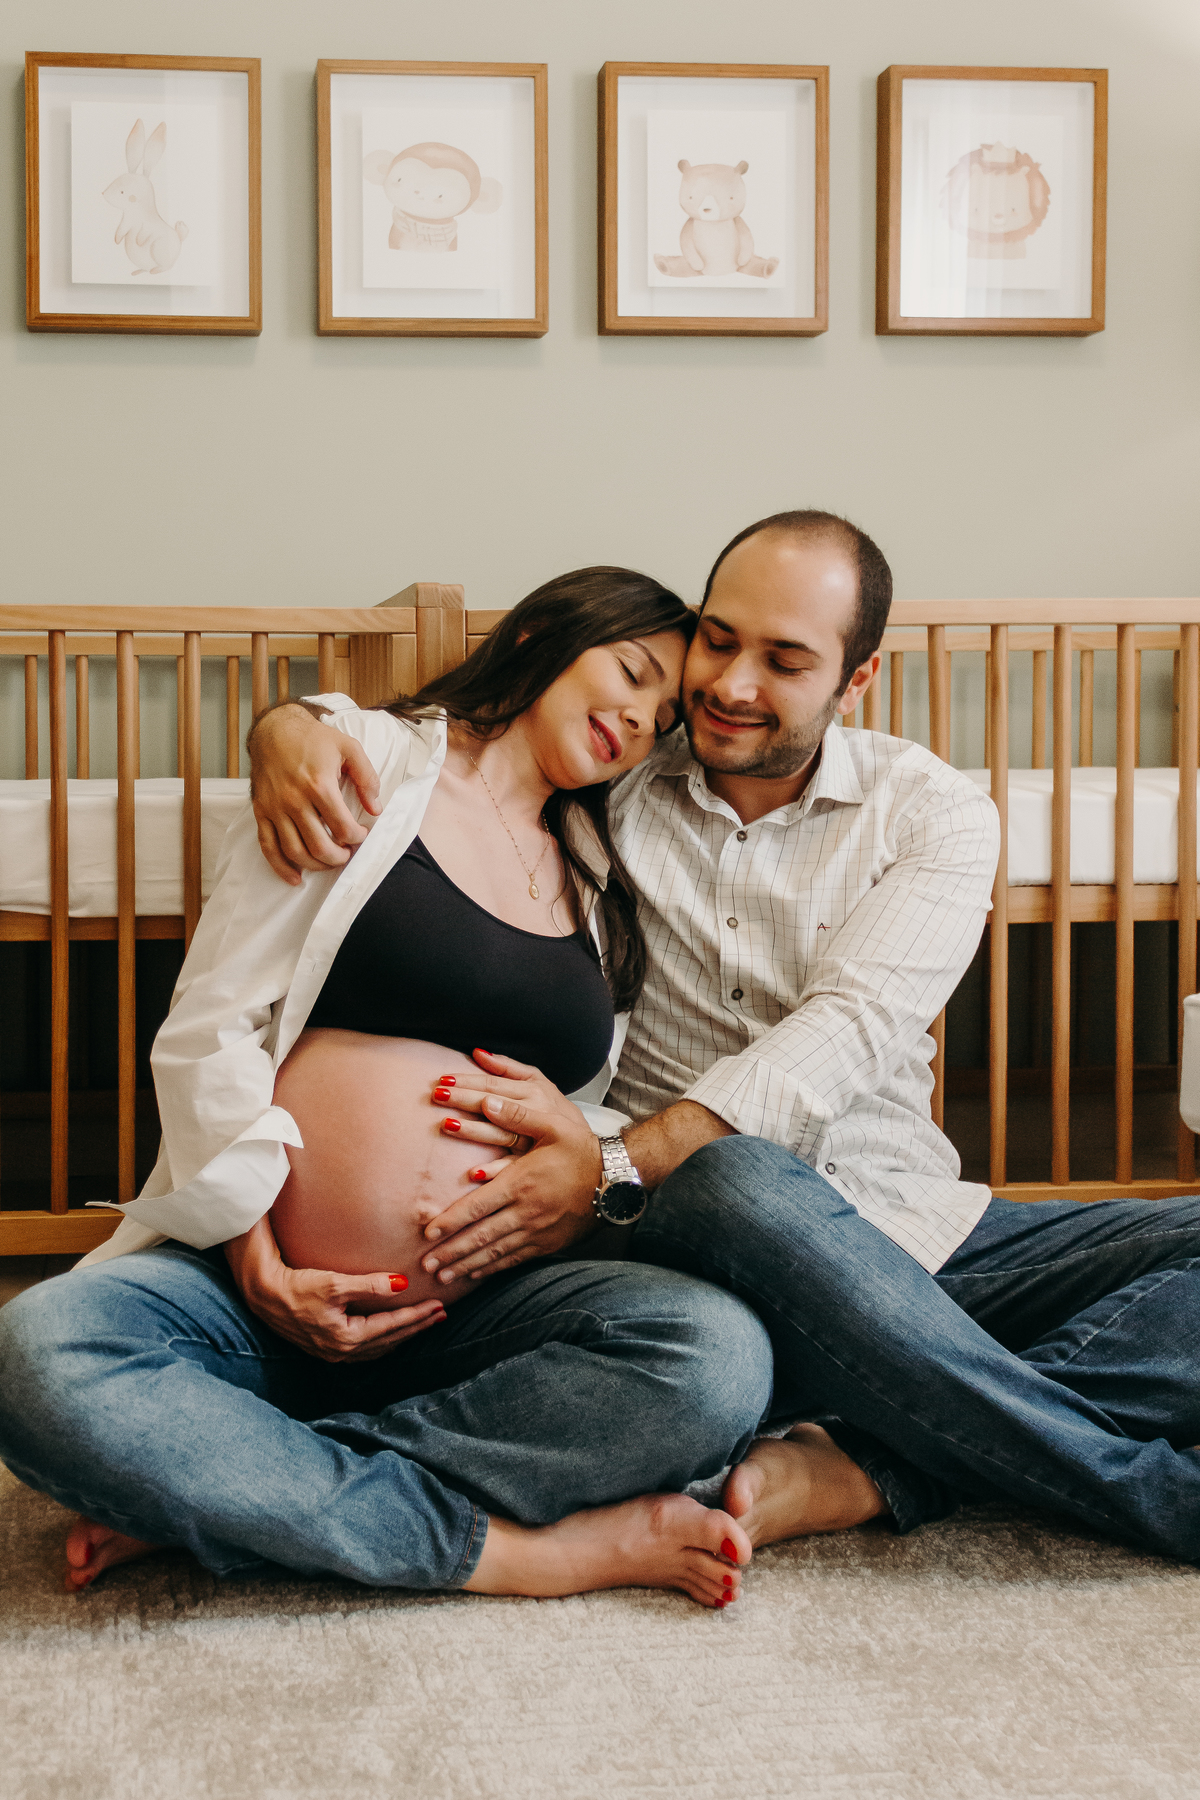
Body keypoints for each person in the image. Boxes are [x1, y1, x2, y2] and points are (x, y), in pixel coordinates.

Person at [248, 509, 1200, 1567]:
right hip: (684, 1233)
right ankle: (1142, 1492)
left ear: (855, 680)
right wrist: (287, 725)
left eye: (784, 661)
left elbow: (845, 1032)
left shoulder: (931, 813)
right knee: (737, 1174)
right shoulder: (613, 770)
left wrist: (609, 1161)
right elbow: (453, 741)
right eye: (718, 639)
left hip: (913, 1239)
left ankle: (877, 1466)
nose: (732, 684)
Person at [0, 567, 775, 1606]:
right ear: (540, 636)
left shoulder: (601, 870)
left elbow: (590, 1105)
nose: (642, 719)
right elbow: (215, 1023)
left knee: (719, 1358)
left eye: (664, 715)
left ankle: (237, 1484)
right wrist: (255, 1256)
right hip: (252, 1295)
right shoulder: (359, 764)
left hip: (481, 1317)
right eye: (632, 673)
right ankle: (514, 1554)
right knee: (40, 1352)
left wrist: (581, 1169)